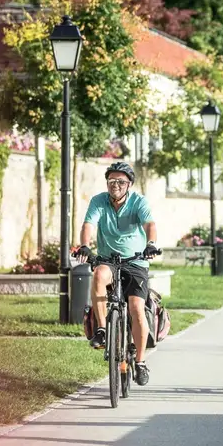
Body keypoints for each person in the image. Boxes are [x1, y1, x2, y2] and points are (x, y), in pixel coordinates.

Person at [73, 161, 160, 386]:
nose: (116, 185)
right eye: (112, 181)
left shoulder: (139, 202)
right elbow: (88, 225)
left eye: (121, 181)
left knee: (136, 308)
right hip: (108, 260)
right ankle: (102, 329)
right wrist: (85, 245)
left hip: (136, 262)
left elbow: (150, 224)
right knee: (99, 274)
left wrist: (150, 244)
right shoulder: (99, 201)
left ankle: (140, 362)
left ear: (129, 184)